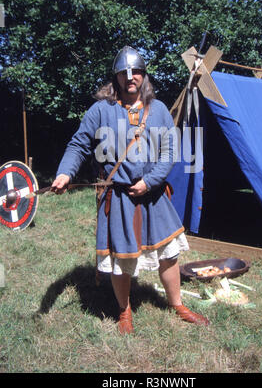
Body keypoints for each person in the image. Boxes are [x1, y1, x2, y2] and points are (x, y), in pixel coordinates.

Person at [51, 46, 209, 334]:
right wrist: (65, 172)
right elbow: (78, 144)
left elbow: (169, 151)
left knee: (169, 252)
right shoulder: (101, 111)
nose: (130, 77)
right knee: (121, 258)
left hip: (155, 194)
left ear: (144, 76)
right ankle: (124, 311)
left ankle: (177, 304)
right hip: (119, 197)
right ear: (116, 79)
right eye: (124, 73)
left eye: (135, 71)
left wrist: (150, 181)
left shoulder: (158, 110)